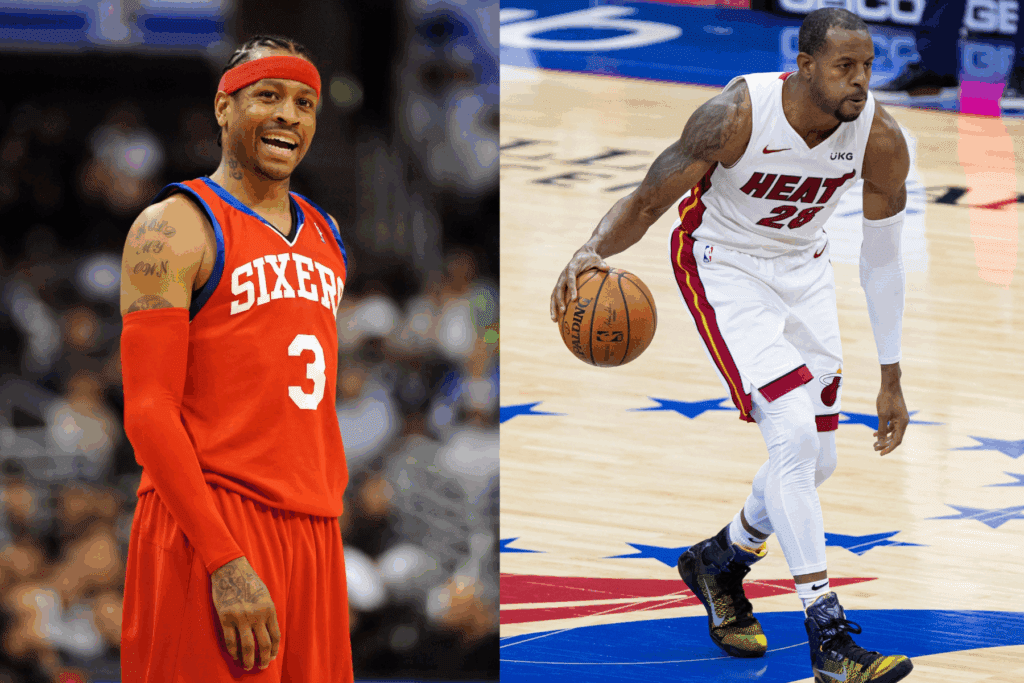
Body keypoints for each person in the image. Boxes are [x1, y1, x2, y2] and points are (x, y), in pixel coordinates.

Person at [551, 9, 913, 683]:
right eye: (844, 66)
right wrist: (589, 250)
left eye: (867, 66)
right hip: (723, 262)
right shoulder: (736, 115)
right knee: (794, 441)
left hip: (804, 269)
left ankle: (723, 558)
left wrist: (891, 372)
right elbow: (649, 199)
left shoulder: (880, 138)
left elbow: (884, 262)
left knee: (820, 457)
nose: (860, 80)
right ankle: (828, 636)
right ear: (804, 66)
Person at [119, 35, 353, 682]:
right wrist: (224, 558)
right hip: (211, 522)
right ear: (224, 108)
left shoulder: (327, 234)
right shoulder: (171, 227)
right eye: (268, 96)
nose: (289, 116)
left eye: (306, 103)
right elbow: (147, 410)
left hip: (313, 530)